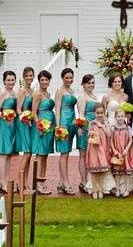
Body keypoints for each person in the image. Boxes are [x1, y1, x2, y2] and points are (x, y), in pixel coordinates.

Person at [54, 67, 78, 195]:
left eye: (71, 77)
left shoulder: (71, 90)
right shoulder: (60, 91)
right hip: (63, 123)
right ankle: (66, 182)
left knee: (67, 153)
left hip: (72, 123)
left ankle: (60, 183)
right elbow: (57, 109)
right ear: (62, 78)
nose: (69, 79)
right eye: (66, 77)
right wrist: (59, 126)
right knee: (64, 154)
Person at [31, 70, 55, 195]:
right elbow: (34, 112)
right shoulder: (38, 94)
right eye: (42, 80)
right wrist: (39, 126)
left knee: (45, 155)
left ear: (49, 81)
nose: (44, 82)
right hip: (42, 126)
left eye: (46, 79)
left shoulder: (48, 93)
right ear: (39, 81)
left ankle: (42, 180)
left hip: (49, 127)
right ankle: (37, 183)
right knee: (40, 155)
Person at [0, 70, 18, 194]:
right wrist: (5, 116)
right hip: (4, 125)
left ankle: (7, 180)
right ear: (4, 81)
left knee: (9, 154)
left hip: (12, 125)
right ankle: (2, 182)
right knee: (3, 154)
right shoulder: (3, 93)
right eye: (8, 80)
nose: (10, 82)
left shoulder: (13, 93)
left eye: (12, 80)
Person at [77, 74, 99, 194]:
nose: (91, 85)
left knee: (90, 154)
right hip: (85, 128)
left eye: (92, 83)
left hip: (94, 128)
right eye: (89, 83)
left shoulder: (94, 96)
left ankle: (89, 180)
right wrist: (80, 127)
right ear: (84, 84)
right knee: (83, 154)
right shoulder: (82, 97)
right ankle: (83, 181)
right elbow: (81, 113)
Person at [85, 103, 112, 199]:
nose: (100, 115)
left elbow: (109, 134)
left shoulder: (106, 122)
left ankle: (100, 189)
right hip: (94, 148)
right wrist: (91, 133)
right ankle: (94, 189)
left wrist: (103, 126)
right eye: (98, 113)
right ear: (94, 113)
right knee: (94, 170)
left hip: (103, 147)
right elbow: (88, 134)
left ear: (104, 113)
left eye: (102, 113)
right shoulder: (91, 123)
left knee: (102, 170)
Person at [16, 66, 35, 191]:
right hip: (24, 123)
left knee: (29, 154)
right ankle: (19, 183)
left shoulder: (32, 91)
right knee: (27, 153)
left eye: (31, 75)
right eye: (27, 76)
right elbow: (18, 109)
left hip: (31, 124)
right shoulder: (22, 91)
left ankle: (25, 182)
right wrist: (25, 118)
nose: (29, 78)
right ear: (23, 77)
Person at [111, 108, 133, 197]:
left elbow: (130, 140)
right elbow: (111, 140)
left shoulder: (128, 128)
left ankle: (127, 189)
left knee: (127, 171)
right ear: (115, 117)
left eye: (122, 116)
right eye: (118, 116)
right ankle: (117, 189)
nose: (120, 118)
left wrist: (126, 149)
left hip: (127, 152)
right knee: (117, 171)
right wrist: (114, 150)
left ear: (124, 117)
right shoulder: (113, 128)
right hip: (117, 152)